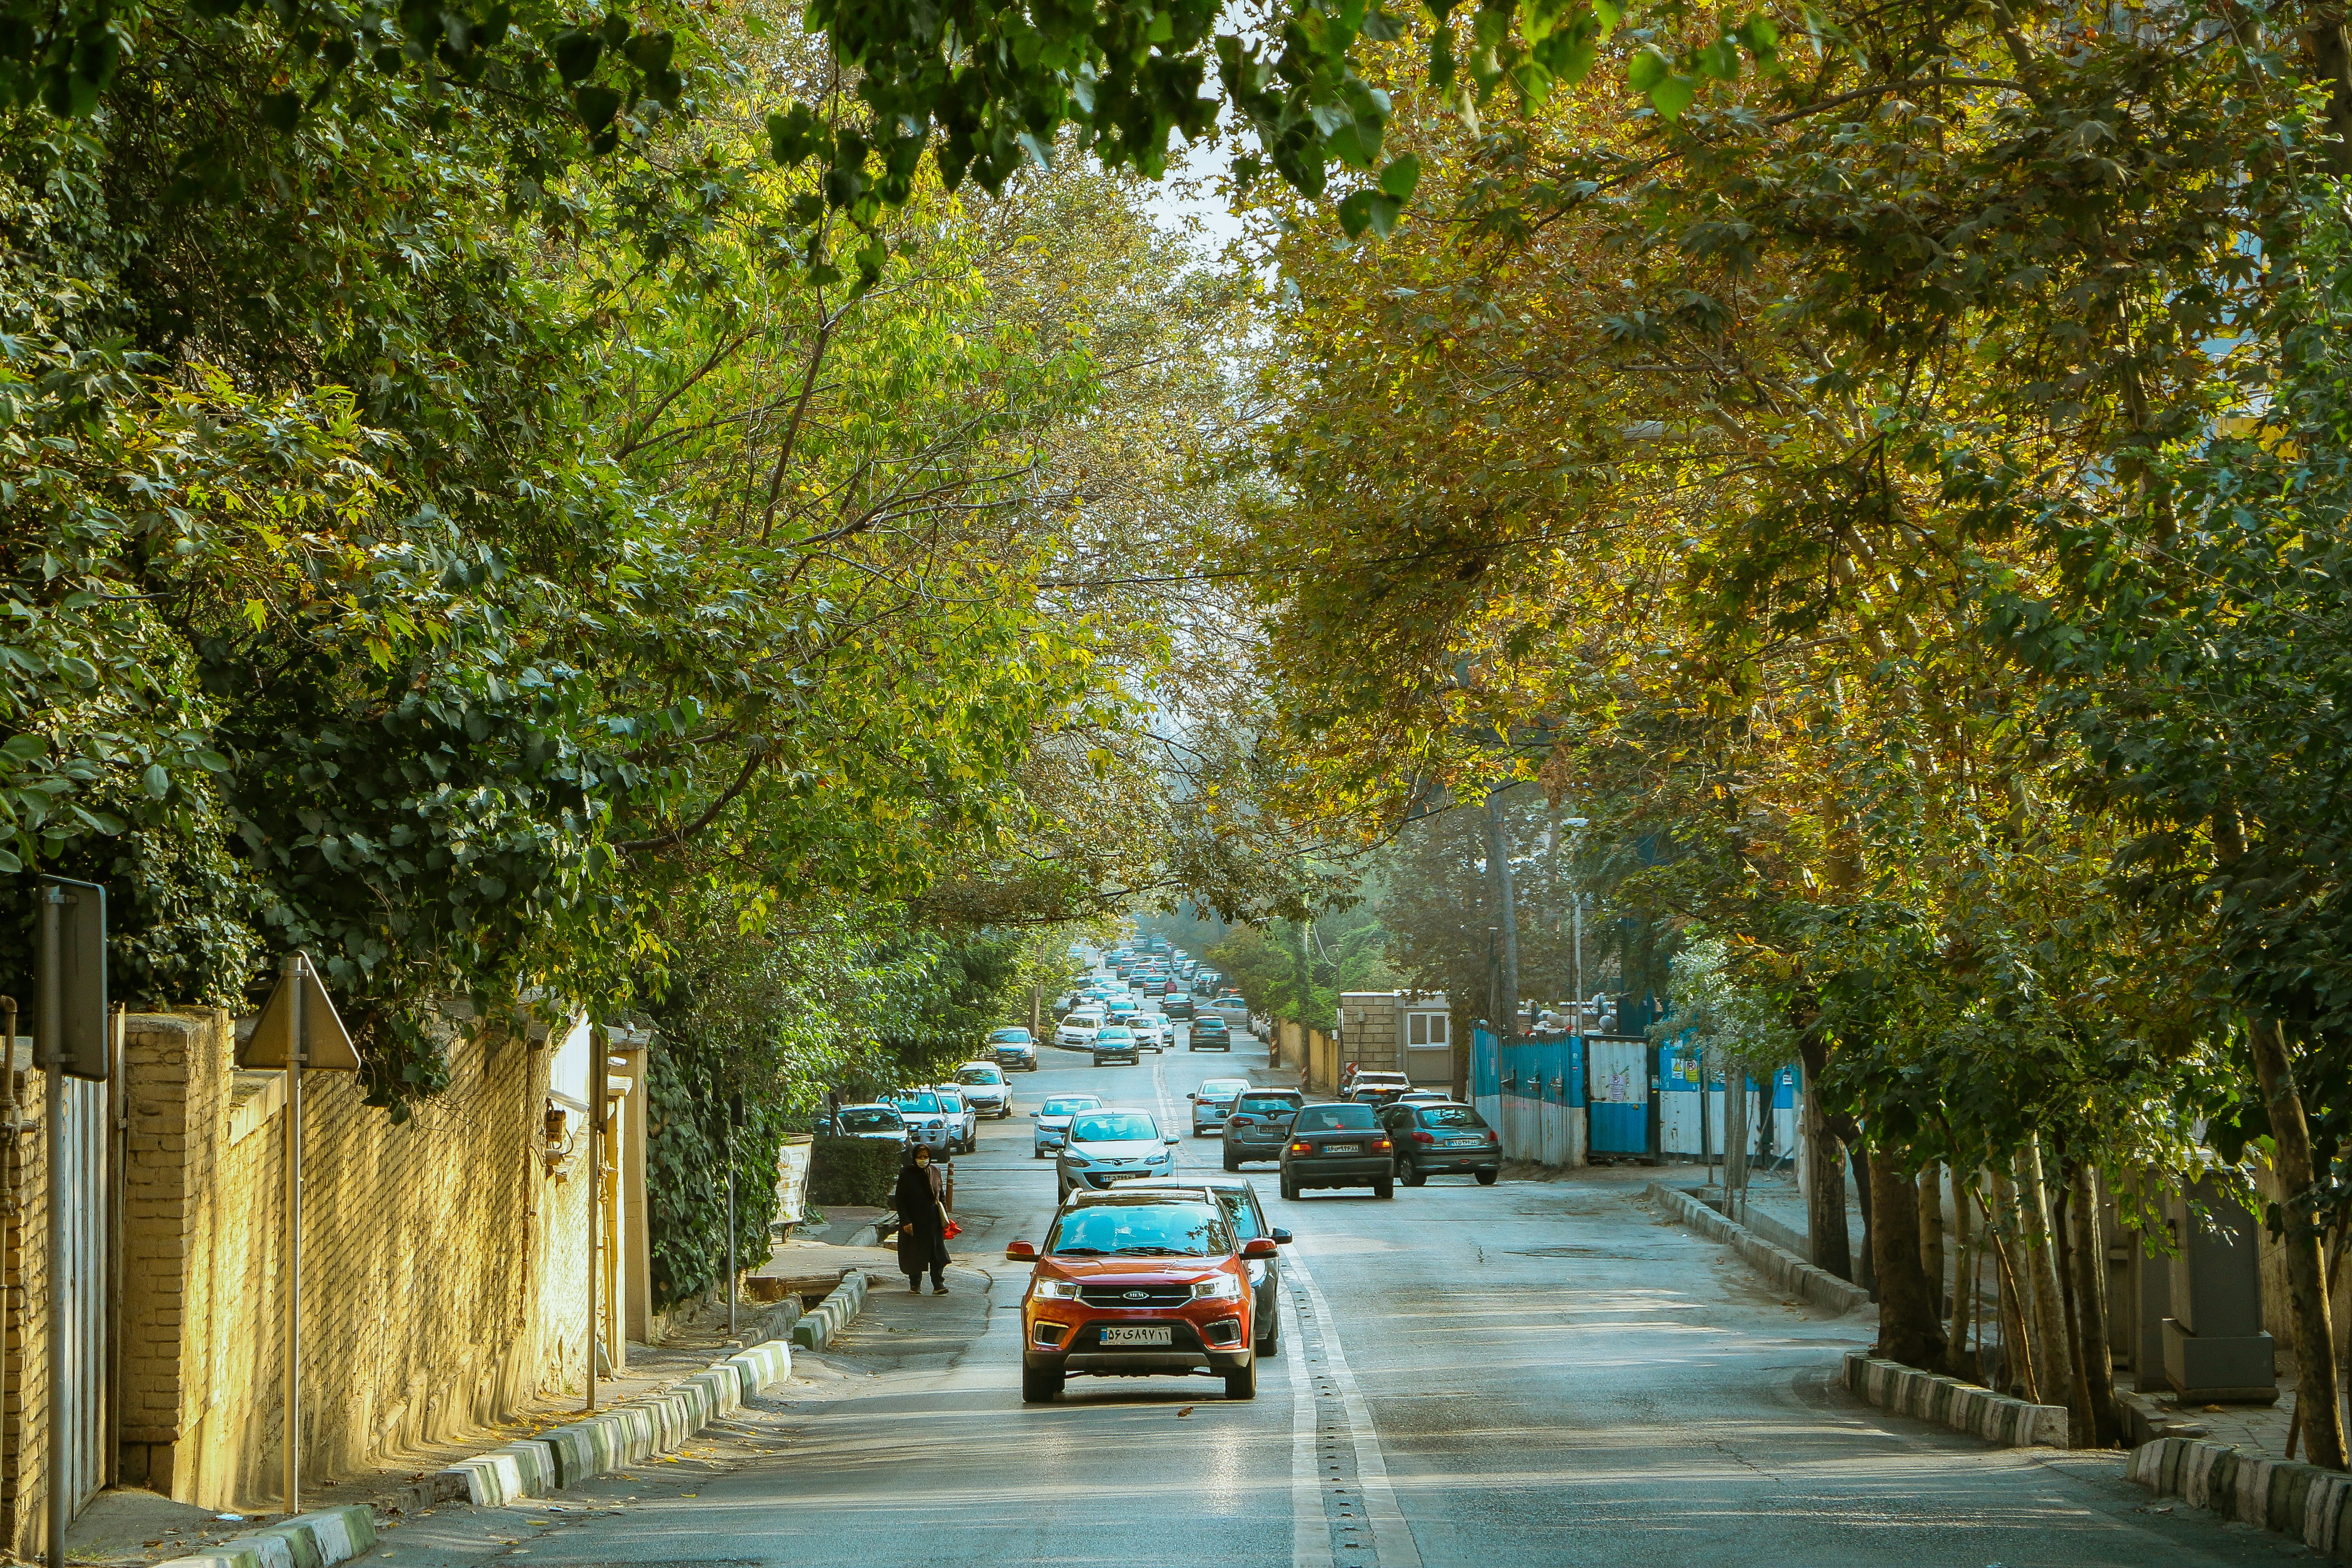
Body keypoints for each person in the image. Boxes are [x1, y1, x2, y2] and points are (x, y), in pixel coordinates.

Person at [893, 1145, 951, 1294]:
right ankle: (915, 1283)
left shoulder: (935, 1172)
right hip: (914, 1221)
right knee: (915, 1254)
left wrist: (945, 1217)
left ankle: (938, 1284)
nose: (923, 1160)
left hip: (933, 1222)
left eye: (926, 1157)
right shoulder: (907, 1174)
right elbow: (900, 1200)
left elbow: (941, 1195)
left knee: (938, 1254)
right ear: (914, 1158)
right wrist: (906, 1221)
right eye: (920, 1157)